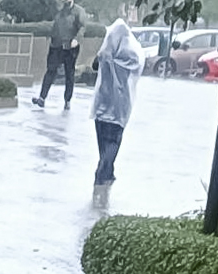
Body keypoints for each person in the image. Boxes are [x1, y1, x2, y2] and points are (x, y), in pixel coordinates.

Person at [90, 17, 143, 187]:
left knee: (102, 137)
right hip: (121, 101)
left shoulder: (105, 54)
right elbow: (137, 69)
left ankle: (105, 169)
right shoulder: (133, 54)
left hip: (103, 100)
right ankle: (105, 169)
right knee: (114, 139)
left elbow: (94, 65)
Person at [31, 0, 85, 109]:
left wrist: (77, 39)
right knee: (50, 71)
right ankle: (42, 98)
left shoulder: (78, 11)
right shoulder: (59, 9)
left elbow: (82, 27)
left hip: (70, 47)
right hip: (56, 46)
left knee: (69, 74)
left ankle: (67, 101)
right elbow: (55, 25)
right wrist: (52, 37)